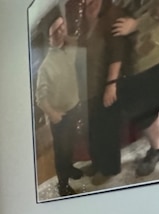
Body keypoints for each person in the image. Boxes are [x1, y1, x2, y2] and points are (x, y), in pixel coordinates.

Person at [79, 0, 131, 183]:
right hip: (89, 88)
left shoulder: (113, 13)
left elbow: (118, 52)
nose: (86, 3)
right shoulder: (85, 17)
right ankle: (97, 163)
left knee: (107, 127)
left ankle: (109, 168)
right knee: (93, 129)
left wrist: (112, 84)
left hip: (105, 83)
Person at [36, 10, 85, 196]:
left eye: (62, 27)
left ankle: (70, 168)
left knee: (71, 144)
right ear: (49, 37)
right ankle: (62, 185)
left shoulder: (72, 47)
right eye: (55, 31)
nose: (61, 32)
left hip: (75, 106)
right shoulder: (45, 67)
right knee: (61, 151)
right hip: (59, 116)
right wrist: (53, 114)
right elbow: (40, 98)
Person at [112, 0, 159, 176]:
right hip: (136, 61)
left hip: (155, 53)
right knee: (138, 107)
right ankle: (157, 147)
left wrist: (137, 24)